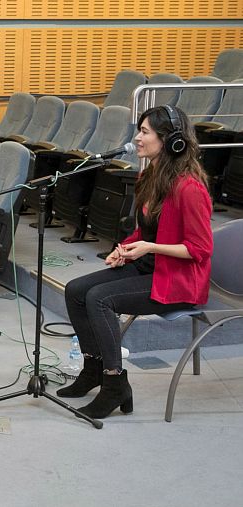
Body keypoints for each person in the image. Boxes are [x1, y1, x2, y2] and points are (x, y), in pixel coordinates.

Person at [58, 105, 213, 419]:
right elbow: (146, 230)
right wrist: (126, 247)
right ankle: (93, 368)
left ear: (171, 140)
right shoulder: (150, 175)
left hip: (177, 280)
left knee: (100, 299)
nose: (137, 138)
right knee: (75, 290)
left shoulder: (190, 188)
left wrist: (149, 247)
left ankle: (115, 385)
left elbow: (200, 249)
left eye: (145, 132)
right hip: (150, 268)